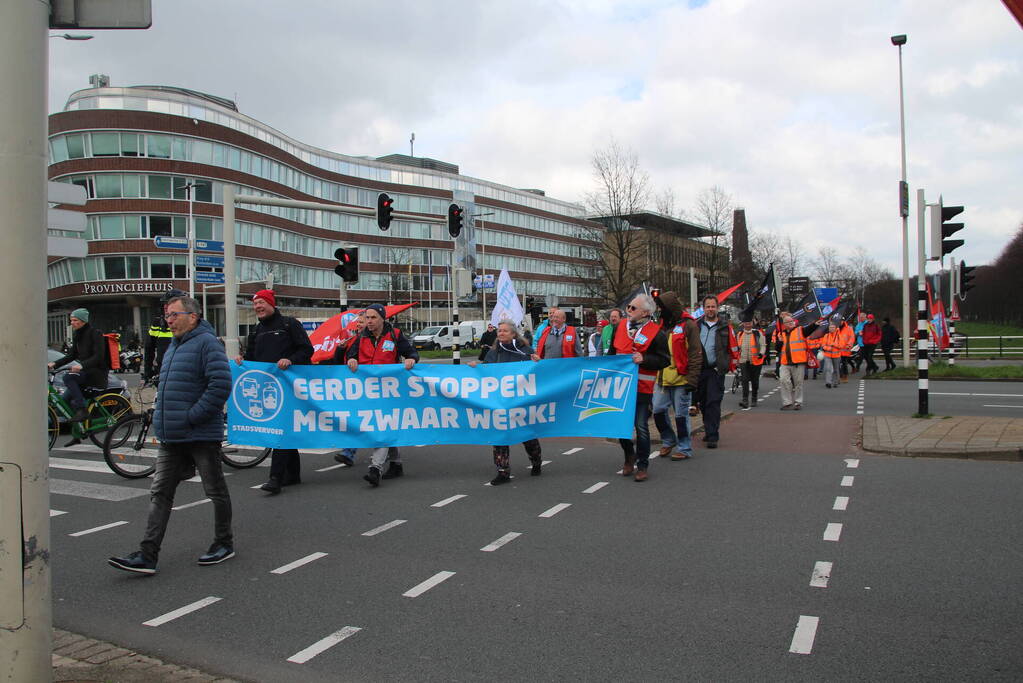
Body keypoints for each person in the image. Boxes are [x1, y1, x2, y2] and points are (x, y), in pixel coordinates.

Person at [108, 296, 233, 574]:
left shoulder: (207, 343)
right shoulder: (175, 346)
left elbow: (221, 385)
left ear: (193, 316)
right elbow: (169, 387)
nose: (169, 321)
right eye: (167, 316)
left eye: (174, 315)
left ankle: (224, 542)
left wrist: (192, 416)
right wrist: (159, 411)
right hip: (172, 435)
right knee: (160, 493)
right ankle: (147, 554)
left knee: (215, 490)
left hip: (199, 434)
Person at [236, 289, 314, 495]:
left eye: (261, 302)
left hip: (289, 387)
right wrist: (241, 363)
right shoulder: (256, 330)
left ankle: (275, 478)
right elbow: (252, 359)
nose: (258, 307)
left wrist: (290, 360)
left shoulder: (290, 324)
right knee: (283, 430)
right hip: (266, 389)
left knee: (281, 430)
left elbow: (307, 350)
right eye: (255, 304)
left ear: (272, 304)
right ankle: (293, 474)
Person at [346, 303, 419, 487]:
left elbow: (411, 352)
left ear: (382, 318)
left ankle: (375, 468)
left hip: (389, 390)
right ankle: (395, 464)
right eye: (367, 318)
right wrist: (351, 359)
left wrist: (411, 358)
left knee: (382, 425)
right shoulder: (361, 337)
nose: (369, 322)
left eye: (373, 318)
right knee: (383, 426)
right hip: (368, 390)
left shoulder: (394, 334)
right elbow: (350, 355)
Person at [468, 320, 542, 484]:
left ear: (513, 334)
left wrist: (538, 361)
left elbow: (537, 370)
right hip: (500, 400)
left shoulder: (524, 350)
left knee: (526, 434)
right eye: (499, 331)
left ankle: (536, 461)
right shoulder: (495, 351)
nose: (500, 333)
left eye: (504, 331)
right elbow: (486, 369)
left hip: (519, 399)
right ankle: (503, 471)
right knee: (499, 435)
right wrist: (476, 367)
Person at [608, 294, 669, 481]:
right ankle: (629, 456)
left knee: (641, 426)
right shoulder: (619, 327)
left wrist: (645, 359)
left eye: (633, 308)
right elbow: (611, 354)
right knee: (620, 427)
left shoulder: (656, 333)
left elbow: (665, 360)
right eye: (628, 307)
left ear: (645, 312)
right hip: (620, 387)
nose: (628, 311)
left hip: (642, 388)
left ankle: (642, 465)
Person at [652, 292, 701, 461]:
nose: (659, 310)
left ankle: (684, 447)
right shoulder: (662, 325)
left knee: (681, 416)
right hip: (662, 377)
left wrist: (692, 379)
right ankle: (668, 440)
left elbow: (695, 353)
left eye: (661, 307)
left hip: (682, 378)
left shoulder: (689, 325)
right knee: (657, 410)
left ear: (669, 308)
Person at [48, 308, 109, 426]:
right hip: (85, 373)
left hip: (97, 374)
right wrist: (54, 364)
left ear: (83, 321)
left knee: (68, 377)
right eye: (71, 320)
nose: (72, 323)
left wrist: (81, 365)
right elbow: (71, 355)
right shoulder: (78, 335)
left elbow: (99, 356)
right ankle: (78, 432)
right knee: (64, 402)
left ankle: (83, 410)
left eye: (75, 320)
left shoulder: (95, 333)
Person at [694, 295, 738, 449]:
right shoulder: (696, 325)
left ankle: (713, 435)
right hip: (699, 370)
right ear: (703, 308)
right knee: (703, 403)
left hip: (715, 370)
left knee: (713, 402)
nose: (710, 309)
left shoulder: (725, 327)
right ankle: (708, 428)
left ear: (717, 308)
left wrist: (731, 365)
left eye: (713, 306)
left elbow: (733, 348)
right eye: (708, 306)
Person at [332, 310, 367, 467]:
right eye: (358, 321)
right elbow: (338, 363)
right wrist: (341, 349)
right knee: (355, 418)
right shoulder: (352, 339)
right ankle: (349, 452)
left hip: (369, 385)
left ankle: (390, 455)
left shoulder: (371, 340)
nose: (358, 324)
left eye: (362, 321)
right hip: (354, 386)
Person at [144, 288, 184, 383]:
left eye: (170, 303)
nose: (166, 306)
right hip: (162, 373)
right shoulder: (158, 323)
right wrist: (148, 373)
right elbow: (149, 350)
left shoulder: (187, 323)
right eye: (164, 304)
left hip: (182, 375)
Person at [736, 313, 767, 409]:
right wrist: (736, 359)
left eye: (749, 323)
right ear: (743, 324)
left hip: (756, 361)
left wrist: (761, 353)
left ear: (752, 323)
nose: (748, 325)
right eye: (746, 323)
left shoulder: (758, 333)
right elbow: (737, 347)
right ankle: (745, 400)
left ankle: (754, 398)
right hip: (744, 361)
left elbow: (763, 345)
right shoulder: (740, 334)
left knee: (755, 381)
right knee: (744, 380)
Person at [778, 314, 808, 410]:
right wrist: (779, 341)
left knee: (798, 383)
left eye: (792, 321)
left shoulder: (800, 330)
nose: (791, 323)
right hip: (785, 362)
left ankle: (798, 402)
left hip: (798, 362)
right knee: (783, 380)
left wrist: (815, 324)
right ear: (784, 324)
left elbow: (809, 330)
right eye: (788, 322)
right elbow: (778, 349)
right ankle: (787, 402)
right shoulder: (781, 333)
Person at [820, 321, 844, 388]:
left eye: (833, 327)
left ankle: (835, 382)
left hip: (837, 356)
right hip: (827, 355)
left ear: (836, 328)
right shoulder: (826, 336)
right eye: (830, 327)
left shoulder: (839, 336)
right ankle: (828, 382)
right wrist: (828, 348)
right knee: (828, 369)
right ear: (829, 328)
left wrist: (835, 345)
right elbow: (823, 345)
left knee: (836, 369)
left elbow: (842, 345)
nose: (831, 329)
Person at [837, 316, 856, 383]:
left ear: (844, 321)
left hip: (845, 350)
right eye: (839, 321)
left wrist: (849, 345)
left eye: (841, 320)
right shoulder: (836, 329)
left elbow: (852, 338)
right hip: (837, 350)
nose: (840, 322)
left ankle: (845, 376)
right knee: (837, 364)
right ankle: (840, 375)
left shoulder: (848, 329)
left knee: (844, 363)